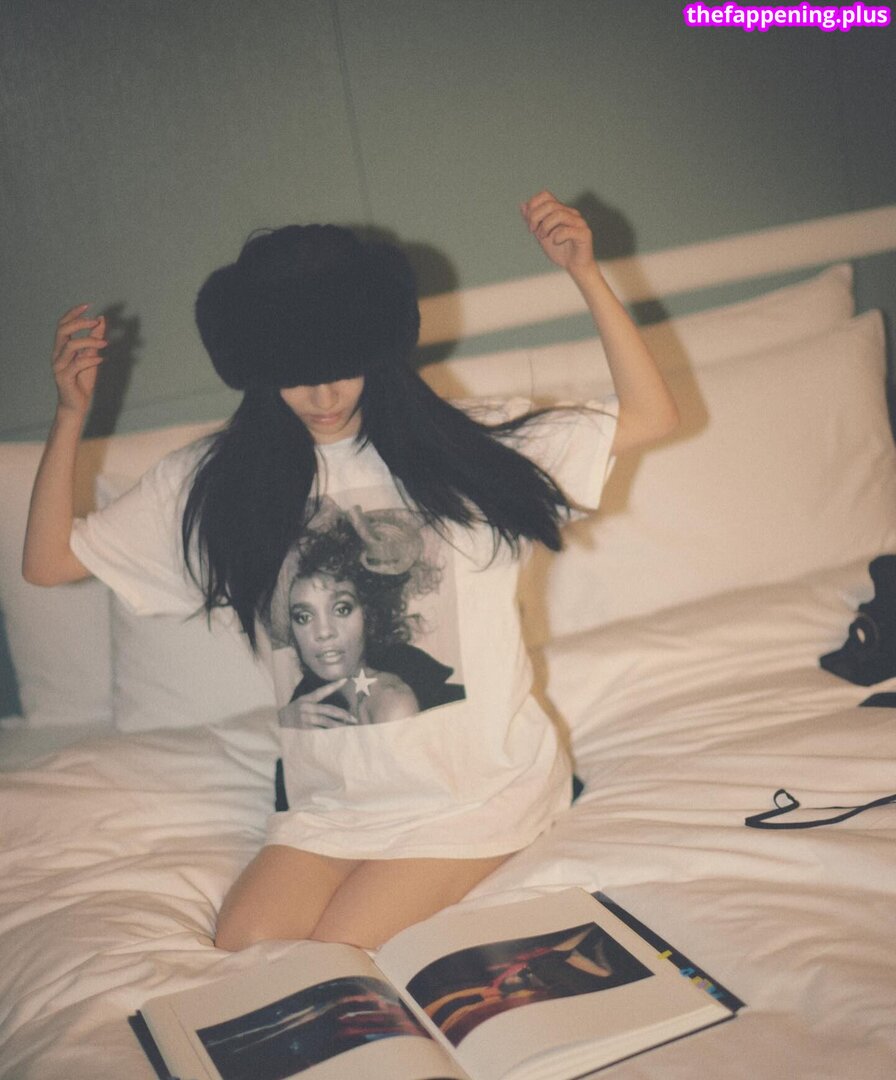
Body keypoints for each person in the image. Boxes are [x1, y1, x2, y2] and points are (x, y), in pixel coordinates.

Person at [23, 190, 679, 951]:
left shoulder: (472, 447)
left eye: (341, 367)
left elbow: (651, 416)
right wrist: (70, 416)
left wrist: (586, 273)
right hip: (330, 806)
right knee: (244, 947)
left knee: (335, 952)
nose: (322, 394)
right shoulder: (219, 481)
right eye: (294, 373)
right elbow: (48, 563)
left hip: (476, 794)